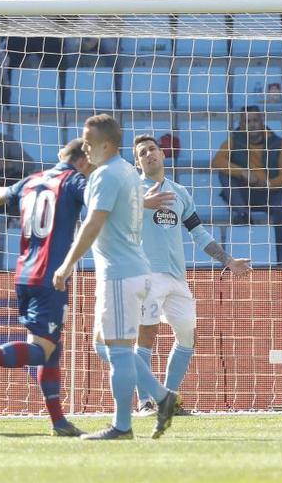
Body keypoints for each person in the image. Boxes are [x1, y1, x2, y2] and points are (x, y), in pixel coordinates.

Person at [0, 139, 92, 437]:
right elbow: (102, 204)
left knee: (51, 349)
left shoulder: (34, 180)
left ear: (59, 154)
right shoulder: (75, 181)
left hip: (24, 273)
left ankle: (58, 422)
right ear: (85, 160)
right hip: (50, 275)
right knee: (42, 351)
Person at [52, 114, 181, 440]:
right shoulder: (125, 170)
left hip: (120, 274)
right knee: (102, 345)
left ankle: (122, 425)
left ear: (105, 144)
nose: (83, 145)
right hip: (128, 270)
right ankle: (162, 396)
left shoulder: (108, 175)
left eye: (87, 139)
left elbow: (93, 224)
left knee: (120, 351)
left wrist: (66, 266)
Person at [130, 134, 251, 415]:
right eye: (142, 153)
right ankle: (145, 401)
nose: (148, 155)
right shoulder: (132, 190)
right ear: (137, 163)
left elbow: (198, 232)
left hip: (177, 278)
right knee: (146, 335)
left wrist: (228, 261)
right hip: (146, 274)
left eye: (152, 150)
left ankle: (167, 401)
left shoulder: (180, 193)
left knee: (187, 337)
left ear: (162, 155)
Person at [213, 106, 282, 262]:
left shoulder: (278, 143)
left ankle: (281, 258)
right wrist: (242, 172)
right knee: (224, 174)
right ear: (241, 124)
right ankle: (243, 215)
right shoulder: (233, 140)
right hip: (245, 193)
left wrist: (267, 183)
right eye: (247, 121)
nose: (252, 124)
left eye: (255, 120)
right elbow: (217, 161)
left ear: (262, 121)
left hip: (270, 192)